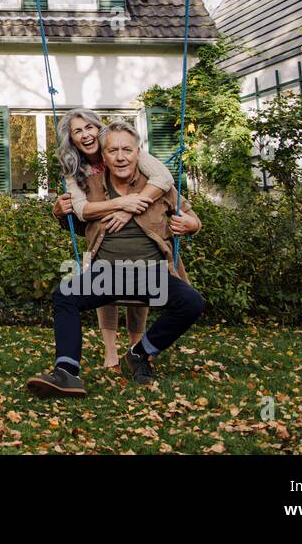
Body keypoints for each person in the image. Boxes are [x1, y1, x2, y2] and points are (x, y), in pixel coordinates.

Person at [28, 121, 205, 397]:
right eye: (113, 151)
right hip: (107, 275)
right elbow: (74, 223)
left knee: (192, 302)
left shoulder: (158, 187)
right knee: (65, 294)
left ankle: (139, 353)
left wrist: (191, 226)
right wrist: (58, 213)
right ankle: (66, 371)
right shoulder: (90, 187)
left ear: (138, 153)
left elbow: (192, 218)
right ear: (104, 155)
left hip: (152, 274)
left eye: (127, 150)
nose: (120, 157)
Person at [50, 108, 176, 369]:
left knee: (140, 283)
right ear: (71, 139)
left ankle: (136, 348)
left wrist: (128, 209)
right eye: (78, 131)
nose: (85, 135)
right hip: (101, 237)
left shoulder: (122, 148)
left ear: (100, 129)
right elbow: (82, 211)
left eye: (89, 128)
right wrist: (123, 204)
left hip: (138, 235)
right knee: (102, 284)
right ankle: (110, 352)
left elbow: (164, 179)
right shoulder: (75, 169)